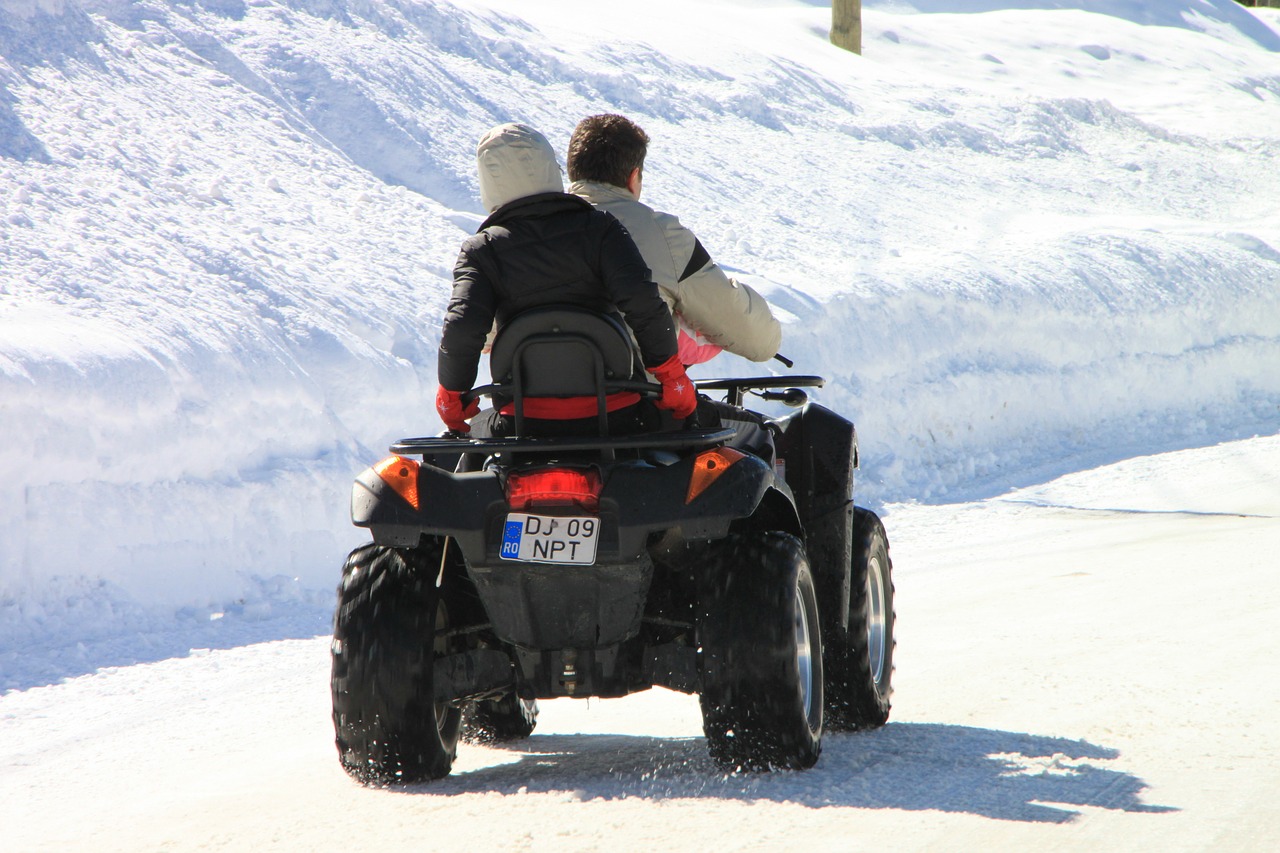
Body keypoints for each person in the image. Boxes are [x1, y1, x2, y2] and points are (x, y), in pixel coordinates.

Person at [436, 123, 697, 437]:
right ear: (550, 168)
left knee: (467, 463)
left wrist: (452, 394)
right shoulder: (600, 229)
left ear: (487, 182)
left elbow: (463, 326)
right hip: (617, 415)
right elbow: (642, 302)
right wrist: (670, 374)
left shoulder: (481, 251)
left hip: (520, 422)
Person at [566, 114, 781, 455]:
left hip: (531, 421)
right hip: (635, 419)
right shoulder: (662, 235)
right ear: (633, 176)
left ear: (572, 172)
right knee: (758, 437)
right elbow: (756, 340)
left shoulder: (527, 231)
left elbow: (485, 333)